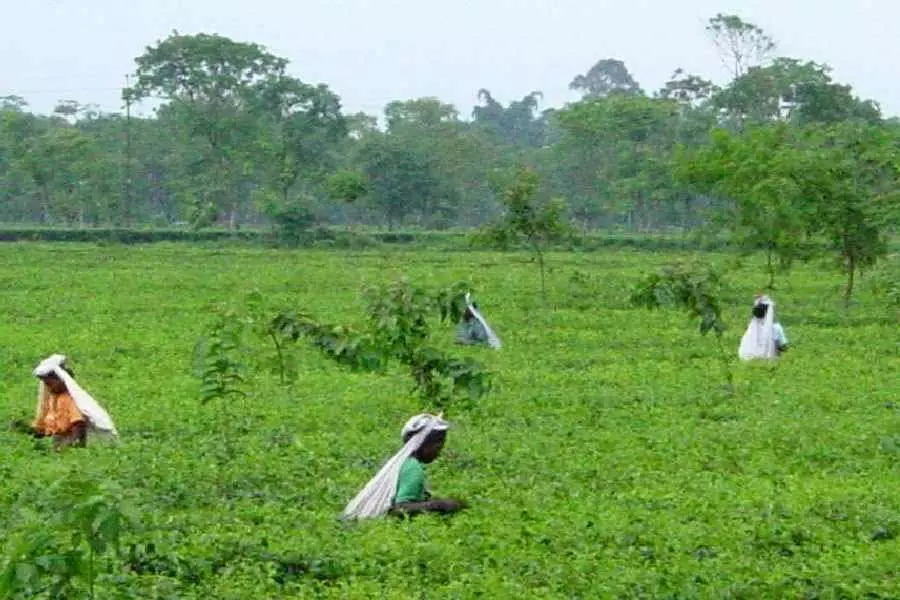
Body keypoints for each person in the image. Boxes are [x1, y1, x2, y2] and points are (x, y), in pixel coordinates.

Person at [342, 413, 466, 520]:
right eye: (438, 446)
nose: (439, 451)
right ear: (422, 443)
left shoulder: (402, 462)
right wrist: (438, 505)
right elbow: (400, 508)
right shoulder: (413, 468)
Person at [12, 354, 119, 450]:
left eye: (50, 384)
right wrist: (26, 429)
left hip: (68, 440)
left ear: (62, 379)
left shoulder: (70, 400)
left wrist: (74, 446)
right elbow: (46, 430)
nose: (48, 388)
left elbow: (78, 424)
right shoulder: (52, 399)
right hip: (58, 441)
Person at [738, 295, 789, 360]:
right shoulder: (776, 328)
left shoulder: (751, 328)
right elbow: (783, 347)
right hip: (771, 363)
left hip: (750, 362)